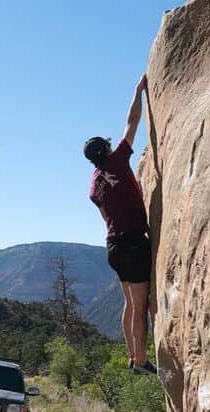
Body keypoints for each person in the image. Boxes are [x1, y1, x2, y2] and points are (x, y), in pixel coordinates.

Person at [85, 73, 157, 375]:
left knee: (129, 302)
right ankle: (140, 361)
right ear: (106, 148)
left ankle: (131, 353)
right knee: (140, 307)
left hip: (113, 246)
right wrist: (139, 90)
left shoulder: (94, 183)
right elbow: (132, 122)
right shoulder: (118, 160)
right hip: (133, 242)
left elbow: (104, 216)